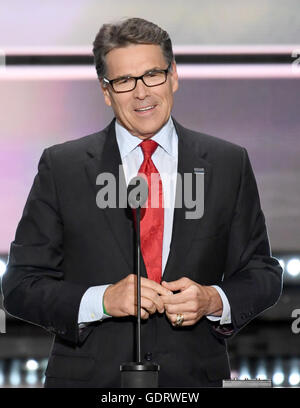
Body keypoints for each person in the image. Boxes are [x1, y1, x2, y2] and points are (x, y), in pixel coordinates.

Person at [1, 17, 283, 388]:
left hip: (193, 382)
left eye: (153, 74)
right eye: (124, 81)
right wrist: (101, 301)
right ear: (106, 91)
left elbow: (262, 274)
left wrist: (214, 299)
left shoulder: (228, 163)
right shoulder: (62, 167)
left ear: (174, 76)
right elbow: (19, 286)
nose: (141, 93)